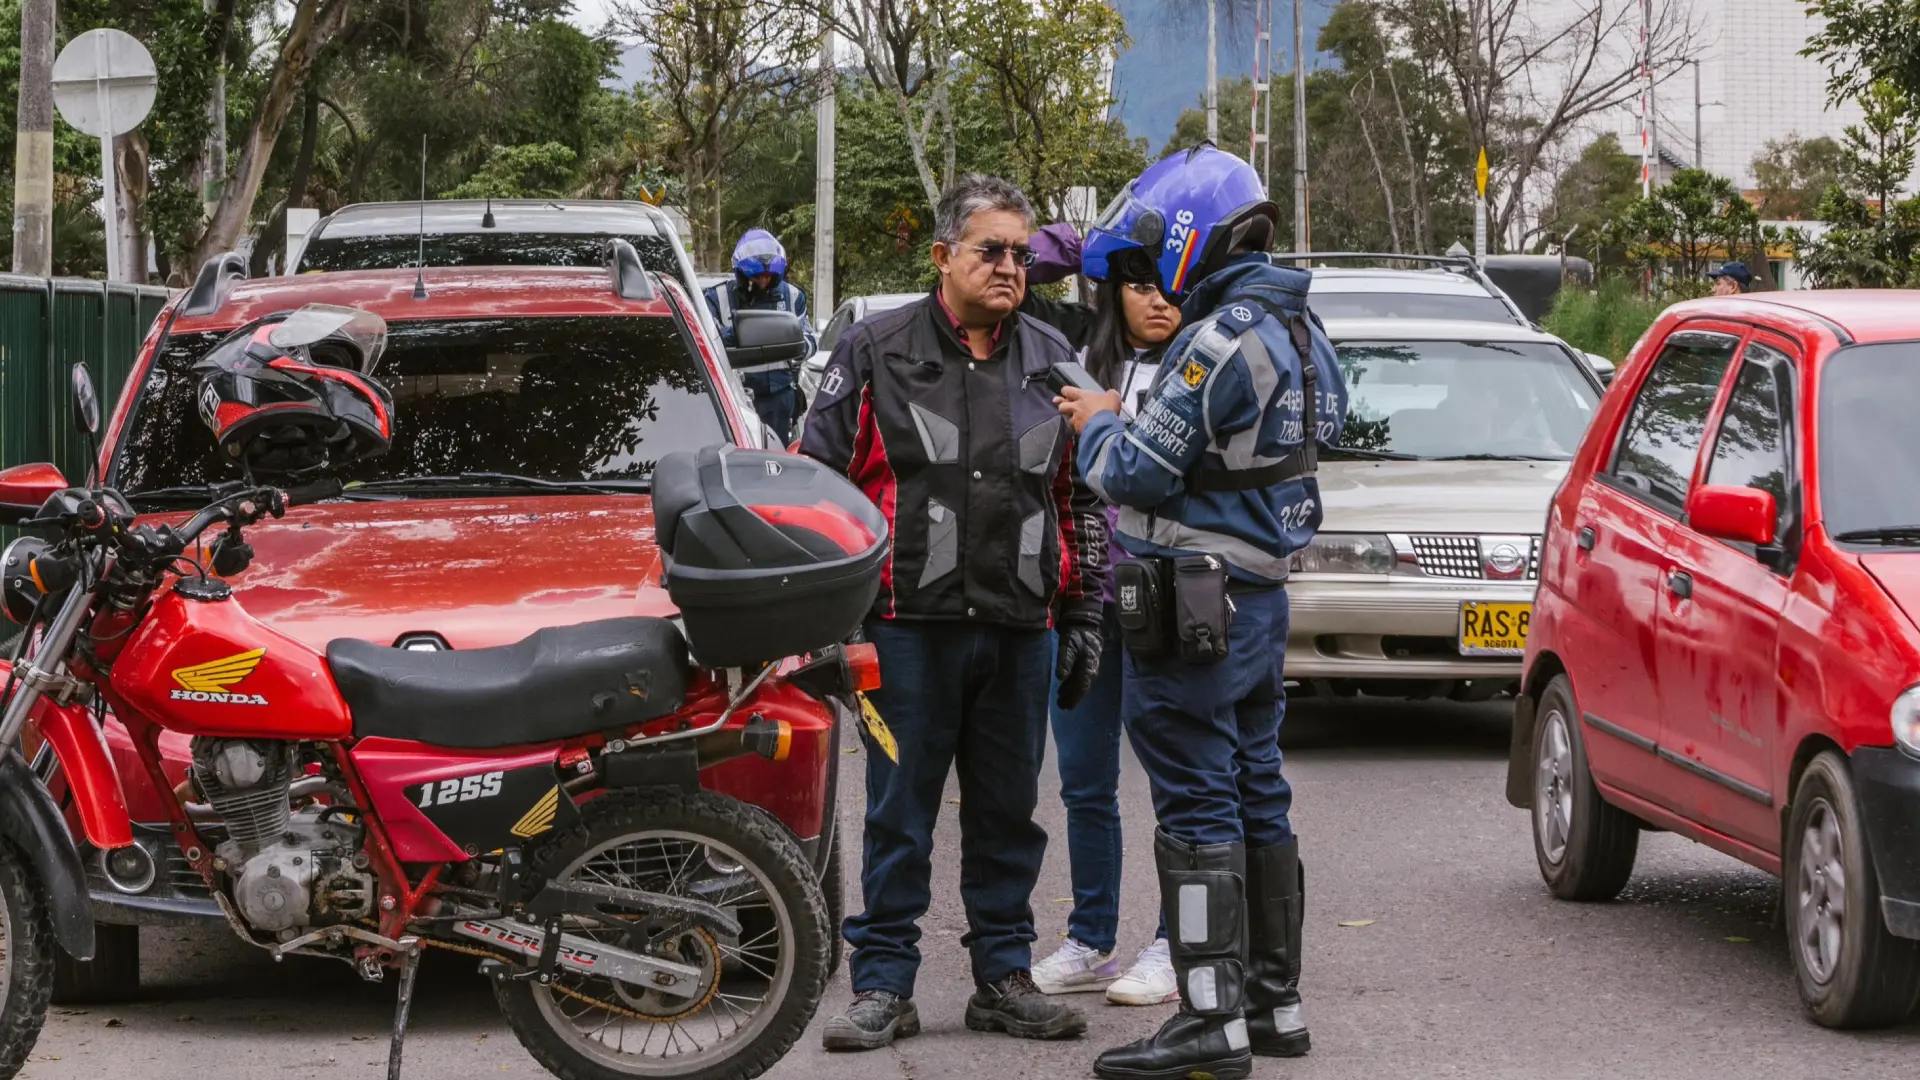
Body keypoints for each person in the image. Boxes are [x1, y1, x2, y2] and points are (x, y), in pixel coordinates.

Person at [1056, 144, 1350, 1080]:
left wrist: (1101, 416)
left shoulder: (1217, 339)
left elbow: (1133, 471)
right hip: (1261, 597)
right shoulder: (1305, 332)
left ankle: (1208, 1024)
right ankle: (1274, 1005)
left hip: (1193, 603)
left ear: (1192, 235)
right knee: (1259, 784)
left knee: (1195, 798)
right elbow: (1329, 431)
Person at [801, 174, 1109, 1052]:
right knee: (899, 810)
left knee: (1009, 811)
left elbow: (1083, 498)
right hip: (902, 629)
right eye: (991, 250)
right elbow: (815, 489)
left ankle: (1003, 979)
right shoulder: (873, 349)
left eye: (1021, 253)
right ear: (943, 257)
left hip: (1020, 631)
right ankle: (884, 986)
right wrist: (834, 626)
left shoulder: (1054, 359)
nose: (1011, 267)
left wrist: (1082, 614)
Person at [1030, 252, 1186, 1005]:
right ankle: (1091, 937)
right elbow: (1016, 273)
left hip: (1167, 599)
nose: (1159, 301)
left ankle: (1173, 943)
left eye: (1171, 284)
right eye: (1141, 285)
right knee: (1084, 780)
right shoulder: (1083, 362)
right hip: (1088, 600)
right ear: (1111, 291)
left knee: (1175, 783)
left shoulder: (1202, 365)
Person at [704, 228, 817, 444]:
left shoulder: (793, 297)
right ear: (742, 273)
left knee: (778, 462)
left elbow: (811, 342)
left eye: (768, 276)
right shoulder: (716, 298)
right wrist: (739, 335)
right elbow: (709, 345)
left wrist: (788, 339)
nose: (763, 281)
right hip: (735, 396)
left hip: (779, 397)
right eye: (757, 276)